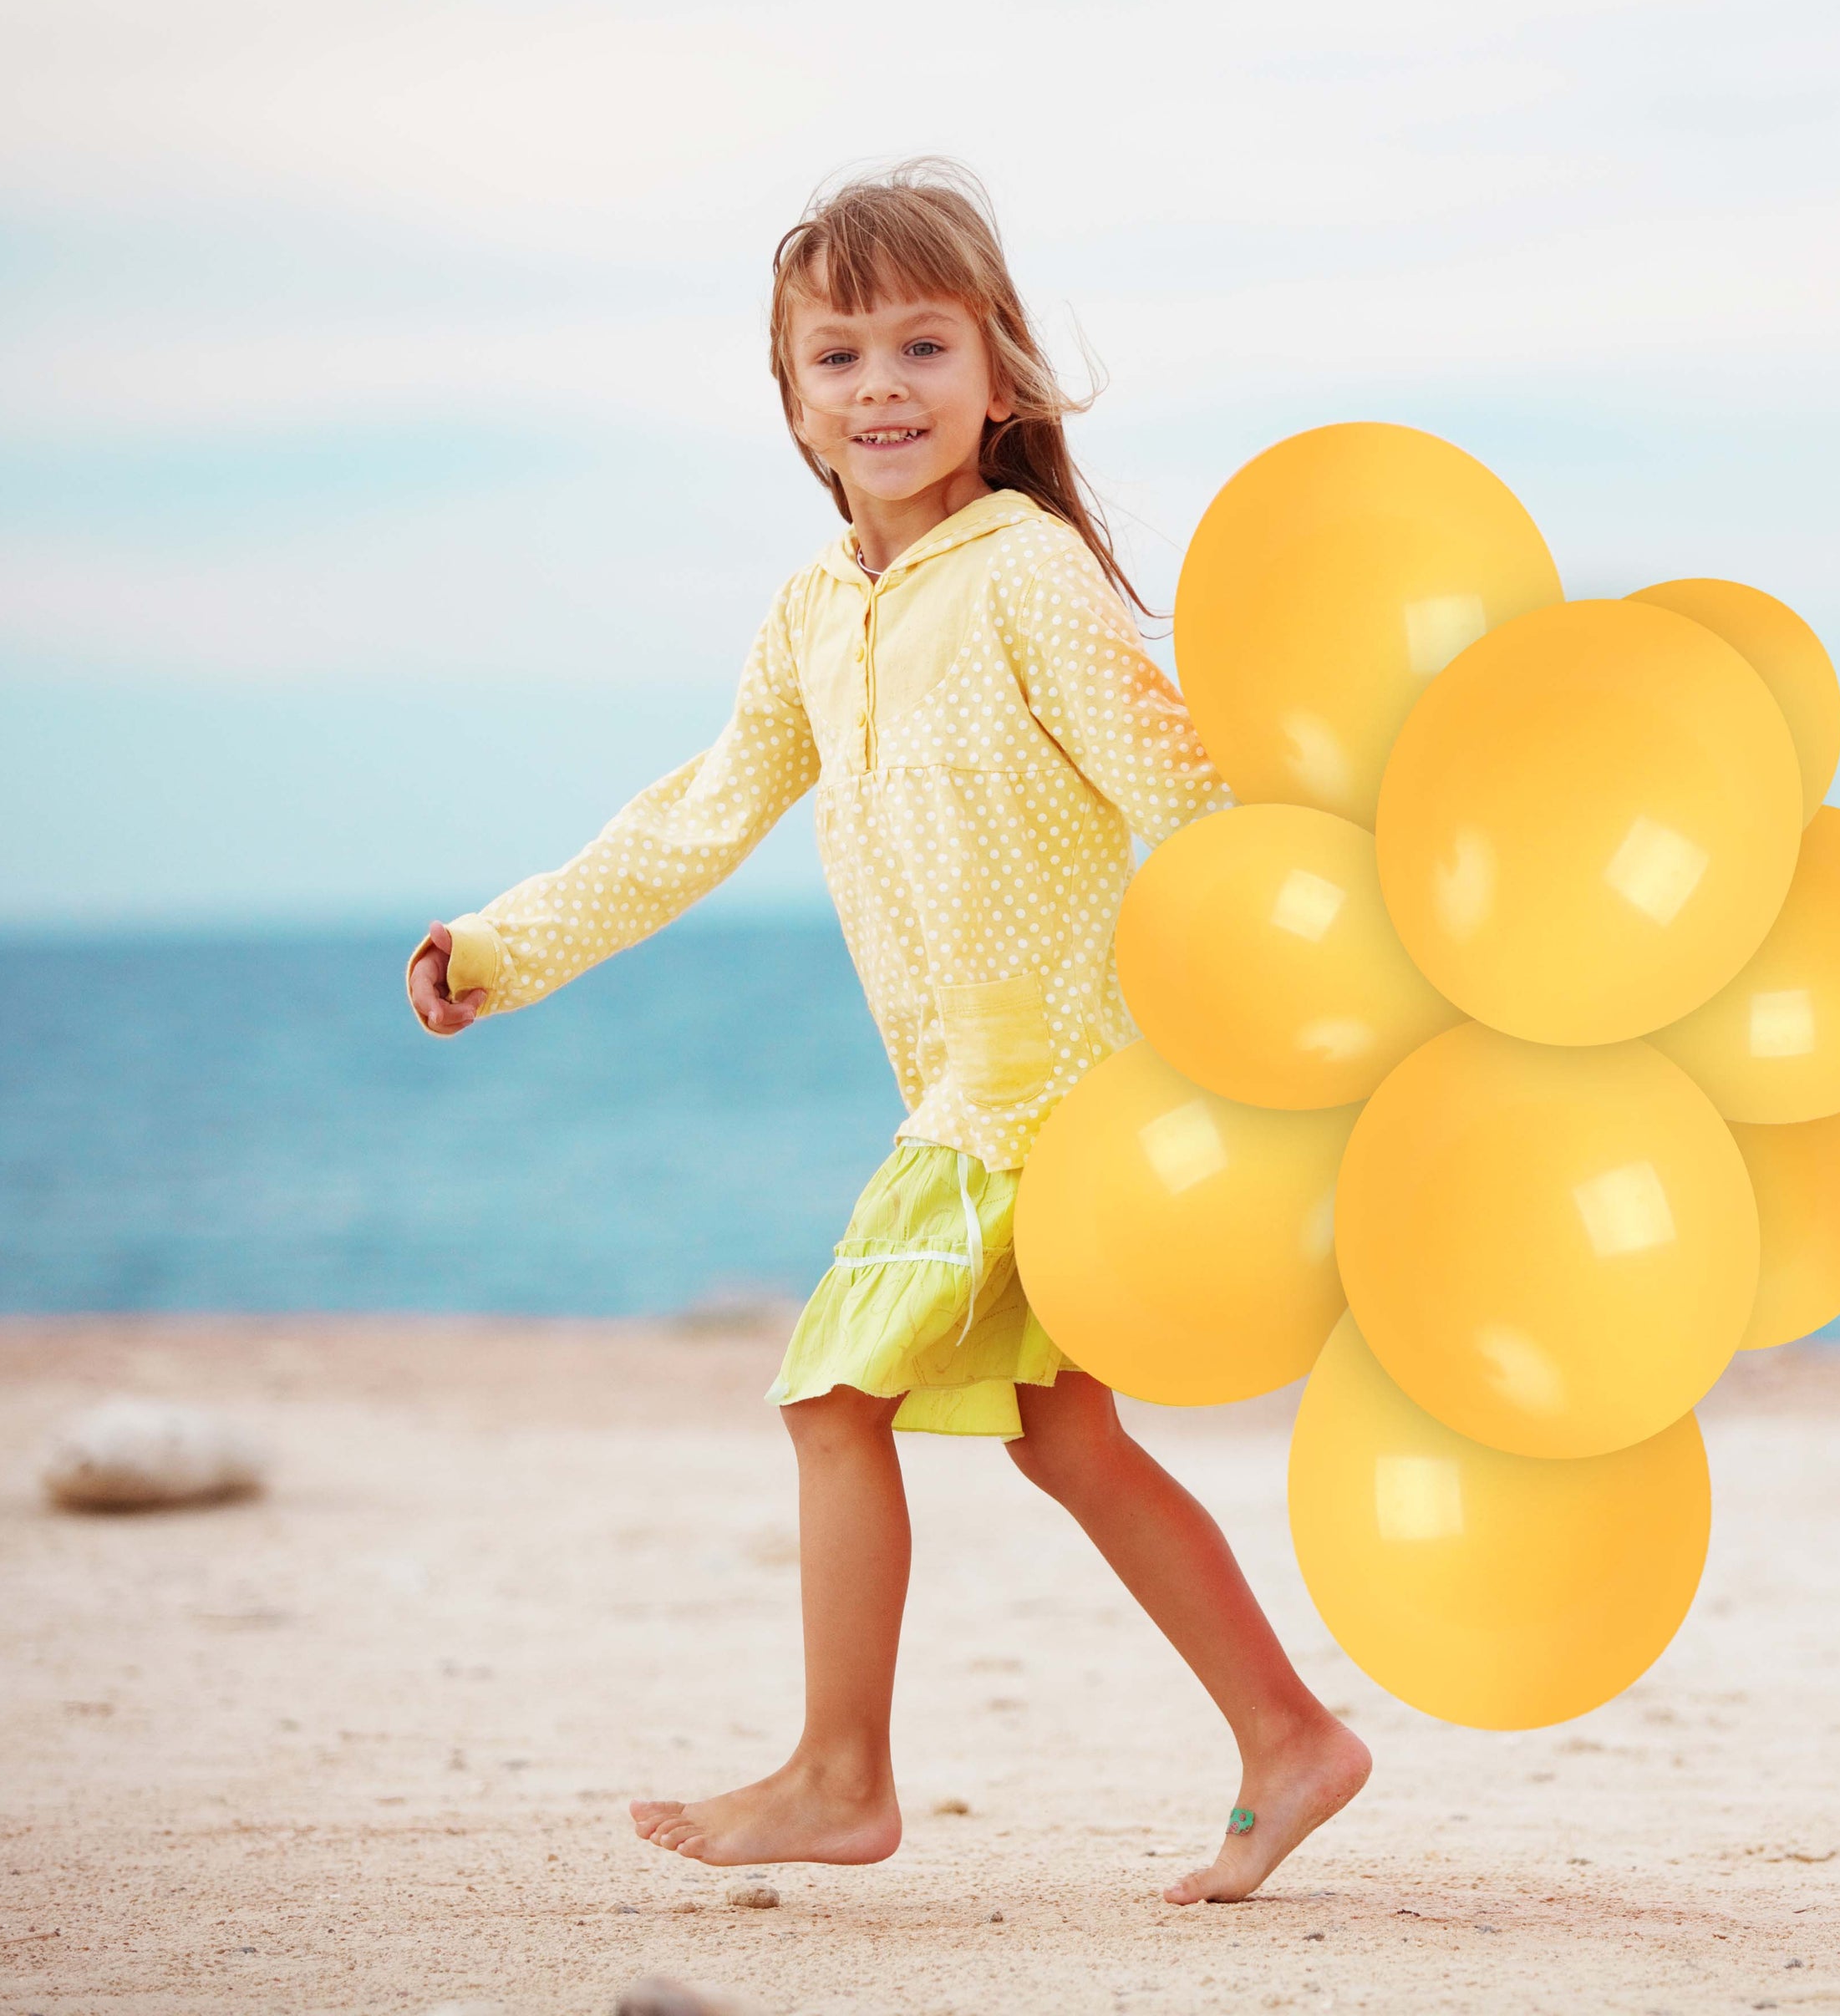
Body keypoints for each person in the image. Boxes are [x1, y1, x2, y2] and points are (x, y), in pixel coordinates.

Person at [405, 160, 1369, 1902]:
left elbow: (1183, 796)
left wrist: (1305, 999)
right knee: (1062, 1434)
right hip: (968, 1092)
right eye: (838, 356)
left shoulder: (1030, 577)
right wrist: (505, 944)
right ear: (789, 401)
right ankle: (1290, 1735)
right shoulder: (811, 612)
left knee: (833, 1392)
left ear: (999, 376)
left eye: (922, 346)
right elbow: (696, 816)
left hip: (1054, 1093)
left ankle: (844, 1772)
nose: (883, 388)